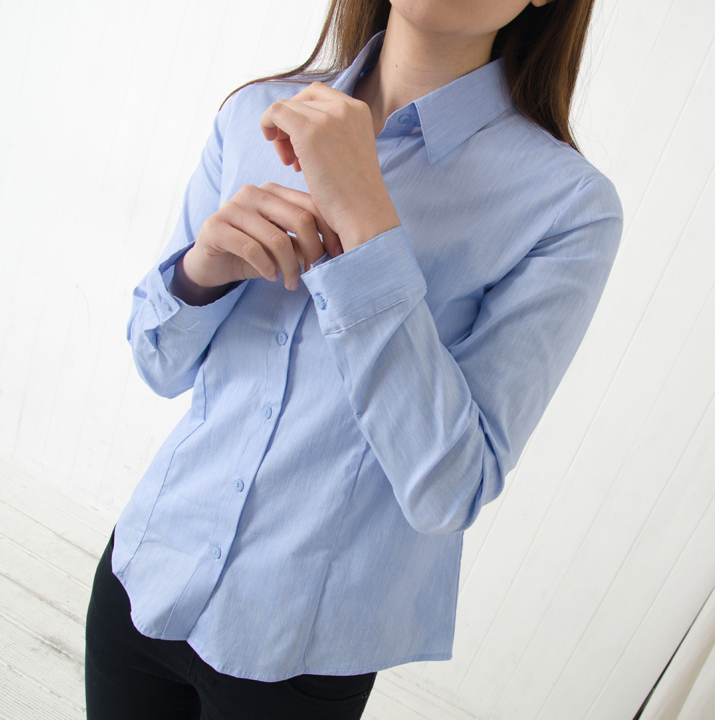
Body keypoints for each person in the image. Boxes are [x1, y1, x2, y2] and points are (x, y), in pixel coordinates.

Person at [84, 0, 624, 717]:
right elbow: (157, 362)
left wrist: (366, 221)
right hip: (143, 574)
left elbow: (449, 488)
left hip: (297, 657)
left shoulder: (566, 208)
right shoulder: (256, 114)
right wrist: (199, 272)